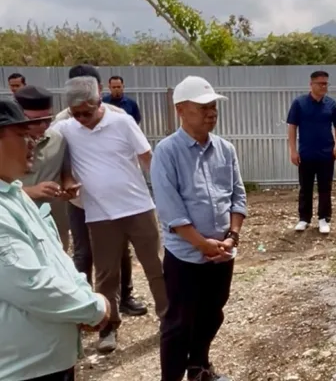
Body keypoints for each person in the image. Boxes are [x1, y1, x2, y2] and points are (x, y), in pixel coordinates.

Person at [51, 75, 168, 353]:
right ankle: (108, 327)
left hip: (139, 208)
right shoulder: (65, 128)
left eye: (87, 112)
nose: (82, 119)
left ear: (98, 101)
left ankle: (169, 318)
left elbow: (148, 159)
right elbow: (54, 153)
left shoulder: (122, 122)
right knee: (106, 274)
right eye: (76, 114)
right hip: (100, 215)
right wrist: (66, 179)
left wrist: (167, 195)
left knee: (156, 266)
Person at [0, 98, 110, 381]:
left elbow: (57, 259)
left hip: (47, 362)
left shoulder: (15, 194)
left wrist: (82, 303)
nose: (32, 142)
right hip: (23, 370)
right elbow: (30, 284)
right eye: (22, 135)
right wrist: (93, 308)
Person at [152, 75, 247, 381]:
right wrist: (201, 243)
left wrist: (231, 236)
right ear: (180, 110)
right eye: (203, 107)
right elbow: (171, 210)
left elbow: (237, 196)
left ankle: (199, 368)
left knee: (212, 314)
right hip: (186, 256)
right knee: (178, 323)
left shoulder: (225, 149)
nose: (211, 113)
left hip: (222, 254)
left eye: (213, 107)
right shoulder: (167, 152)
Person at [53, 65, 147, 317]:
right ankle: (85, 306)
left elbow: (135, 152)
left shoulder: (118, 115)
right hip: (80, 202)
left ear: (99, 89)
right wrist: (66, 180)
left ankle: (124, 298)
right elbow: (56, 157)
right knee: (83, 253)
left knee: (121, 251)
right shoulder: (62, 121)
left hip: (117, 202)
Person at [14, 86, 74, 252]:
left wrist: (68, 186)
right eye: (35, 120)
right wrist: (30, 192)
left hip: (53, 223)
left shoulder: (58, 140)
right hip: (15, 220)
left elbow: (65, 172)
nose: (43, 125)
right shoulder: (5, 144)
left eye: (48, 119)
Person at [287, 70, 336, 234]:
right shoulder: (299, 103)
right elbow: (292, 127)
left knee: (325, 187)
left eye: (326, 83)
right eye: (320, 83)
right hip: (306, 153)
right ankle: (304, 218)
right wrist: (293, 150)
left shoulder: (331, 105)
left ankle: (323, 219)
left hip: (327, 153)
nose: (324, 86)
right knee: (305, 187)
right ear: (311, 84)